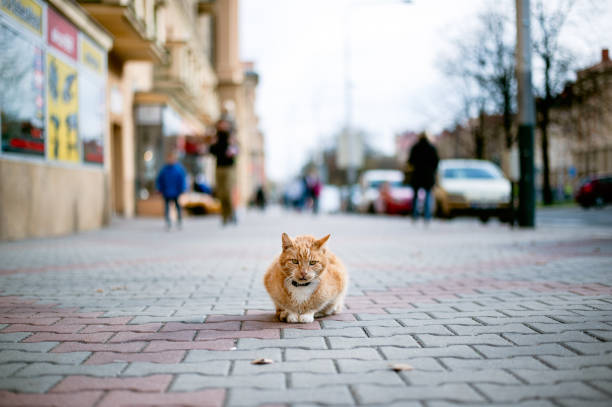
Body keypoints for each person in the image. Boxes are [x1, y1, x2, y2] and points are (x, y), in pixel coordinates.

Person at [209, 119, 238, 225]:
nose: (222, 126)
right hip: (219, 167)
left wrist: (232, 148)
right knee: (221, 193)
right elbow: (212, 152)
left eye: (224, 124)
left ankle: (231, 213)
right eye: (221, 124)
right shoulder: (216, 137)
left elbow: (237, 151)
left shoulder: (231, 136)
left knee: (227, 191)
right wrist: (212, 144)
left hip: (229, 168)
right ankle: (225, 216)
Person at [408, 132, 439, 221]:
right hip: (428, 176)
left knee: (415, 197)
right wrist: (431, 170)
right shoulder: (431, 148)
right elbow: (436, 162)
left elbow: (410, 161)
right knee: (428, 195)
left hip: (417, 175)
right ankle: (427, 216)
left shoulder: (415, 148)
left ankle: (414, 215)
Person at [156, 151, 187, 230]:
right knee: (167, 207)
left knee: (177, 206)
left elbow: (182, 179)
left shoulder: (178, 169)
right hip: (166, 191)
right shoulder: (164, 170)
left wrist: (182, 188)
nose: (170, 160)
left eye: (172, 158)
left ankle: (179, 220)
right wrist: (159, 188)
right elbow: (159, 180)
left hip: (176, 191)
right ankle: (168, 221)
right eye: (169, 158)